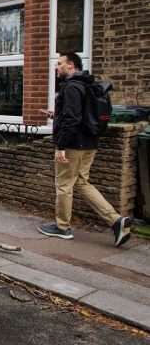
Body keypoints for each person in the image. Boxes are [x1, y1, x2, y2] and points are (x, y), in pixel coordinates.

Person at [38, 52, 131, 247]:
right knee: (81, 183)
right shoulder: (87, 84)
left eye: (59, 64)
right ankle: (116, 221)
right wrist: (58, 114)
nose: (56, 67)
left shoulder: (71, 86)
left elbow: (73, 119)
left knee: (63, 185)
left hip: (73, 145)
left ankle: (62, 227)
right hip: (90, 143)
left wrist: (61, 146)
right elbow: (80, 113)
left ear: (71, 65)